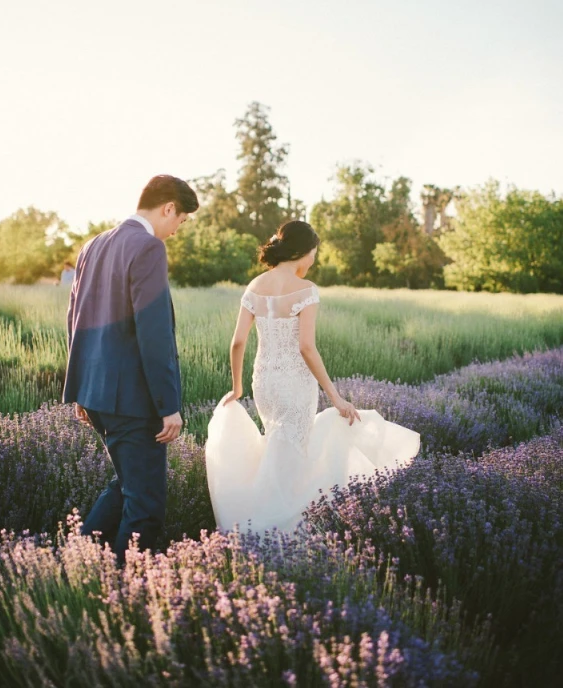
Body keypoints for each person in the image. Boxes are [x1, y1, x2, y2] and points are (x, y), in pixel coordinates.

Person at [205, 220, 420, 533]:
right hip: (294, 383)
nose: (313, 261)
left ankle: (268, 518)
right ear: (301, 252)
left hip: (263, 381)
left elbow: (237, 342)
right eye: (313, 254)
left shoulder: (254, 287)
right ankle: (277, 527)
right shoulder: (306, 290)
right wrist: (335, 397)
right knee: (291, 450)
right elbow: (306, 347)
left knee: (277, 445)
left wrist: (237, 387)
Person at [63, 175, 199, 563]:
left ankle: (78, 562)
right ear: (168, 207)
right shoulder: (148, 247)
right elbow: (153, 333)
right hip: (134, 401)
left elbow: (75, 319)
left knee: (127, 486)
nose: (177, 230)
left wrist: (80, 390)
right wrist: (168, 405)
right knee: (147, 507)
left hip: (98, 396)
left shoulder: (93, 245)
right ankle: (126, 592)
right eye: (182, 220)